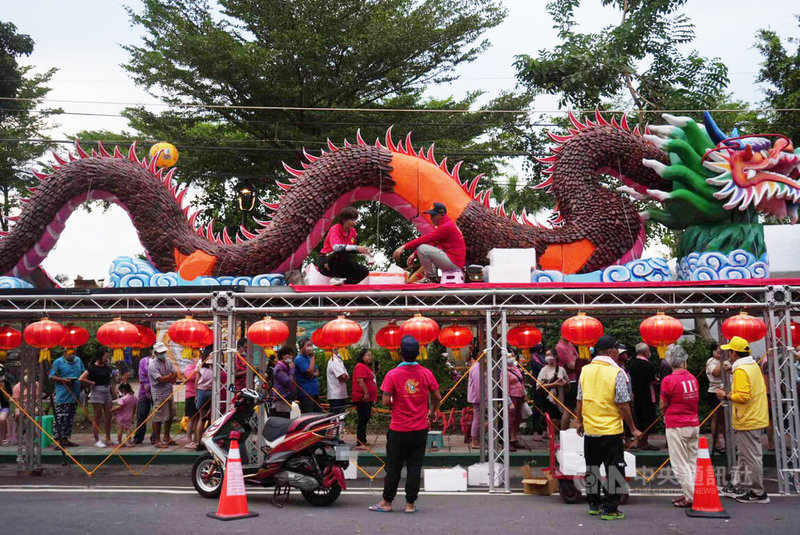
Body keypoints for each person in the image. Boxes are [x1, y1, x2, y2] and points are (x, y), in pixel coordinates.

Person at [369, 336, 441, 514]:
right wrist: (432, 410)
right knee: (415, 466)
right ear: (418, 353)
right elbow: (437, 396)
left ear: (400, 353)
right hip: (419, 428)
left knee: (394, 466)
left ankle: (387, 502)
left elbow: (385, 400)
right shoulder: (426, 373)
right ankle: (410, 504)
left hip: (399, 428)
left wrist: (398, 404)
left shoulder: (392, 374)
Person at [576, 334, 641, 521]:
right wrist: (633, 427)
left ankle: (594, 504)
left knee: (593, 468)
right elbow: (623, 403)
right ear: (611, 351)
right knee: (614, 470)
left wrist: (579, 421)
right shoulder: (617, 372)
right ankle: (611, 508)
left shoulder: (585, 371)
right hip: (611, 430)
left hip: (590, 430)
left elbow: (580, 398)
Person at [715, 336, 770, 504]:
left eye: (729, 351)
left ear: (734, 354)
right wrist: (732, 369)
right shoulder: (751, 365)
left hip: (747, 419)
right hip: (755, 416)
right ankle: (739, 485)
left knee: (751, 456)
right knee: (746, 455)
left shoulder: (740, 370)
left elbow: (743, 396)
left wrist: (726, 395)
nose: (728, 354)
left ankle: (758, 492)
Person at [660, 344, 700, 508]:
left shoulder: (668, 380)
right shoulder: (692, 378)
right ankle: (694, 493)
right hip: (693, 422)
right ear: (684, 361)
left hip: (676, 424)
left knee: (680, 463)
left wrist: (664, 411)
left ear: (670, 363)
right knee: (693, 460)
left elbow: (663, 404)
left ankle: (691, 496)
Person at [392, 202, 466, 283]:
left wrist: (404, 247)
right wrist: (415, 254)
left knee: (422, 248)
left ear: (442, 214)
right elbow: (433, 242)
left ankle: (431, 278)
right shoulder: (447, 224)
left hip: (454, 262)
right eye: (431, 215)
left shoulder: (446, 227)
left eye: (433, 215)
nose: (431, 218)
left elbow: (425, 239)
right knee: (427, 250)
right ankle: (432, 277)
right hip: (455, 261)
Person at [318, 206, 373, 284]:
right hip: (326, 263)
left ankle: (343, 284)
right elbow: (336, 247)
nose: (354, 222)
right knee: (343, 250)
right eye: (352, 220)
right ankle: (336, 278)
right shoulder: (335, 229)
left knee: (363, 271)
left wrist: (365, 251)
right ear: (344, 220)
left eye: (355, 220)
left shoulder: (353, 232)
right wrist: (356, 247)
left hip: (341, 264)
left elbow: (353, 249)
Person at [49, 349, 86, 448]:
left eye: (74, 354)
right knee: (61, 417)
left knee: (70, 418)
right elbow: (51, 376)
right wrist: (63, 380)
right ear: (64, 352)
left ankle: (65, 439)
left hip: (75, 394)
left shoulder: (78, 360)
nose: (72, 356)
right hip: (63, 394)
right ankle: (57, 440)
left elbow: (83, 372)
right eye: (70, 354)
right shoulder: (58, 362)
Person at [79, 349, 115, 448]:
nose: (107, 359)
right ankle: (97, 439)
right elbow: (81, 378)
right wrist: (91, 383)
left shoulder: (107, 367)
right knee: (97, 416)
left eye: (107, 357)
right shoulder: (92, 368)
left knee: (109, 415)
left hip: (107, 391)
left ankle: (108, 438)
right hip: (97, 392)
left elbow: (110, 379)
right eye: (105, 357)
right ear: (100, 357)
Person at [629, 343, 658, 450]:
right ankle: (644, 442)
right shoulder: (647, 364)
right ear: (644, 352)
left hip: (636, 394)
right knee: (647, 419)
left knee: (639, 418)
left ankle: (641, 441)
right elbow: (652, 380)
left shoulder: (632, 363)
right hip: (647, 395)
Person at [148, 342, 177, 448]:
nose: (163, 354)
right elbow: (161, 379)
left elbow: (175, 373)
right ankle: (157, 440)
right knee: (158, 418)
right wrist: (170, 376)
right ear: (155, 353)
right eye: (161, 352)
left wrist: (169, 377)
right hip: (158, 395)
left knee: (170, 415)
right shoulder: (152, 365)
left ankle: (167, 437)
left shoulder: (168, 360)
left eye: (164, 352)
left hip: (169, 392)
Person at [704, 342, 729, 453]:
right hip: (714, 392)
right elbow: (715, 373)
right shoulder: (711, 361)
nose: (720, 353)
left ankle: (727, 442)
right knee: (716, 417)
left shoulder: (725, 361)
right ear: (713, 351)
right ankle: (716, 443)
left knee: (724, 419)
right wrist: (723, 360)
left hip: (724, 391)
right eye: (718, 351)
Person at [536, 349, 570, 430]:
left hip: (560, 398)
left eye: (550, 355)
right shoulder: (543, 370)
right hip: (549, 399)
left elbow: (568, 384)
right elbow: (539, 385)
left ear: (555, 356)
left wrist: (564, 383)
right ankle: (552, 438)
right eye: (546, 355)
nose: (548, 357)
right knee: (552, 419)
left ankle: (561, 435)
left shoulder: (561, 369)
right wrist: (554, 384)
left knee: (563, 416)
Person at [352, 349, 378, 449]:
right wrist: (366, 393)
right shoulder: (359, 366)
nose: (369, 357)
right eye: (367, 355)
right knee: (363, 418)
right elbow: (360, 380)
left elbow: (369, 378)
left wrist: (375, 371)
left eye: (370, 355)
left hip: (368, 397)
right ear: (362, 356)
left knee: (366, 417)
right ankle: (359, 442)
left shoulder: (365, 366)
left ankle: (363, 439)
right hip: (362, 397)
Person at [133, 350, 155, 445]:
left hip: (157, 392)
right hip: (144, 392)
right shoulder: (143, 361)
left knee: (157, 416)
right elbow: (142, 377)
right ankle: (138, 437)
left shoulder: (162, 362)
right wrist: (147, 388)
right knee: (141, 415)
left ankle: (155, 437)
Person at [295, 336, 320, 413]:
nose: (310, 347)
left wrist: (313, 374)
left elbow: (317, 371)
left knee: (317, 414)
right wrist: (312, 358)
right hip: (306, 392)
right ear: (302, 347)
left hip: (314, 390)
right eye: (308, 345)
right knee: (309, 414)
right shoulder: (299, 359)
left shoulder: (308, 357)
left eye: (311, 345)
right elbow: (309, 372)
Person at [194, 352, 214, 446]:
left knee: (202, 418)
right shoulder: (217, 361)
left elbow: (197, 379)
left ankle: (198, 442)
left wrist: (196, 394)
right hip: (213, 391)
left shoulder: (200, 363)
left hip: (201, 391)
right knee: (212, 418)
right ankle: (210, 442)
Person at [507, 356, 526, 451]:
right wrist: (509, 401)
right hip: (512, 397)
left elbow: (521, 381)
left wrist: (525, 394)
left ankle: (514, 438)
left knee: (518, 418)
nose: (511, 358)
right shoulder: (504, 371)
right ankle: (507, 441)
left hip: (520, 396)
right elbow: (504, 387)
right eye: (508, 357)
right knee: (510, 419)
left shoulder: (515, 368)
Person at [272, 346, 296, 418]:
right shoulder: (279, 368)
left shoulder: (286, 367)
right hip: (281, 400)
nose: (291, 357)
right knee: (283, 421)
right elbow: (287, 382)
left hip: (287, 398)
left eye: (291, 355)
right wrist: (292, 370)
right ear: (282, 355)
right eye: (288, 354)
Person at [111, 383, 137, 448]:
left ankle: (119, 443)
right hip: (129, 416)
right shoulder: (134, 398)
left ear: (123, 389)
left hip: (121, 416)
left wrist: (113, 409)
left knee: (120, 429)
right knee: (128, 429)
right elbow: (134, 408)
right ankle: (129, 443)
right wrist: (132, 415)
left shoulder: (123, 399)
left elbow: (120, 407)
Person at [182, 351, 199, 449]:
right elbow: (189, 376)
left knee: (197, 419)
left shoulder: (202, 368)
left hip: (199, 394)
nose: (197, 359)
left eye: (198, 357)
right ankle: (189, 440)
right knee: (191, 419)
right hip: (191, 395)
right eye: (195, 357)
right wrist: (197, 370)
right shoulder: (189, 367)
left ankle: (196, 439)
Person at [326, 348, 349, 414]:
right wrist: (345, 377)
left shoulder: (339, 360)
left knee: (342, 417)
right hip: (336, 396)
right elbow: (342, 377)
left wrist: (345, 377)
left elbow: (346, 376)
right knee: (337, 418)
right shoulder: (333, 360)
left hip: (341, 395)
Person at [467, 352, 483, 448]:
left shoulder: (477, 366)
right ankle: (475, 441)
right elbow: (479, 385)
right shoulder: (477, 367)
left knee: (478, 418)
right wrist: (483, 398)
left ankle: (476, 439)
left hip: (478, 396)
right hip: (477, 397)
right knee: (477, 419)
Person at [0, 365, 11, 446]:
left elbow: (8, 399)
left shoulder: (6, 383)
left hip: (4, 407)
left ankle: (3, 438)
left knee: (2, 419)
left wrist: (3, 389)